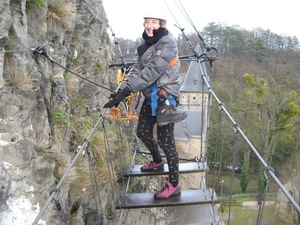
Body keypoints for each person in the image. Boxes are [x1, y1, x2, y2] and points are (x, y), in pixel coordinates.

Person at [104, 9, 186, 199]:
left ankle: (174, 184)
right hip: (151, 96)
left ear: (162, 24)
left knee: (166, 141)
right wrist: (121, 91)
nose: (149, 26)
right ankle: (157, 161)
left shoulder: (167, 43)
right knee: (142, 132)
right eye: (147, 22)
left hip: (165, 97)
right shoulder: (146, 45)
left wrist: (128, 90)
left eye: (154, 22)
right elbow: (137, 71)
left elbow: (152, 71)